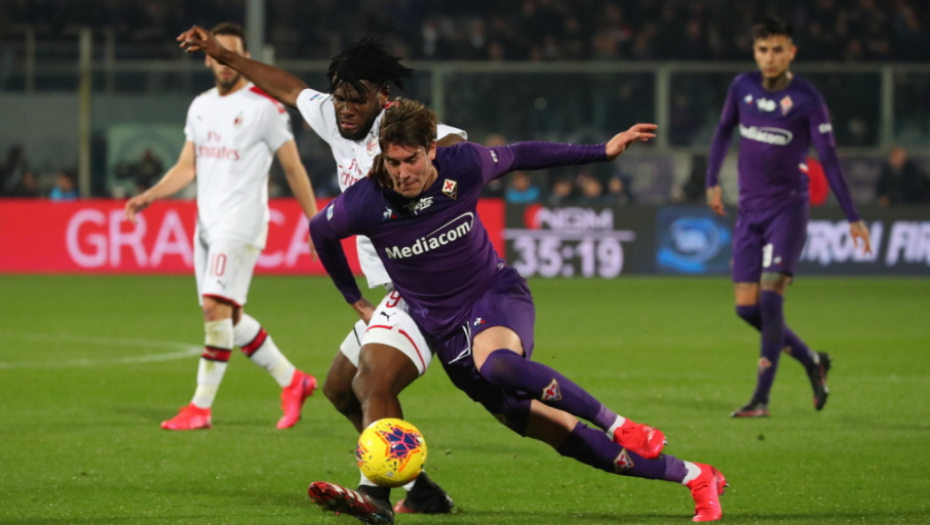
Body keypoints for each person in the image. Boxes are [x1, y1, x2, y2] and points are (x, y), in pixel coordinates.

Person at [309, 98, 727, 524]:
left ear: (431, 149)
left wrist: (602, 151)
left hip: (493, 295)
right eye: (393, 162)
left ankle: (619, 424)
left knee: (497, 364)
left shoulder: (464, 165)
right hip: (444, 331)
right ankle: (696, 476)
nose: (402, 173)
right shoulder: (367, 200)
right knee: (564, 436)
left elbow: (523, 154)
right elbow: (320, 232)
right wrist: (353, 297)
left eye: (411, 159)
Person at [177, 27, 464, 514]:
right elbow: (288, 88)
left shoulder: (401, 130)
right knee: (339, 389)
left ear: (382, 96)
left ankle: (374, 494)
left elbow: (454, 146)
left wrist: (444, 173)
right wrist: (223, 53)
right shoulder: (335, 116)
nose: (344, 108)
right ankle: (420, 490)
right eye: (338, 97)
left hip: (425, 283)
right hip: (392, 286)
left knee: (372, 381)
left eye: (355, 99)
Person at [125, 22, 319, 431]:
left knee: (214, 308)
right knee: (228, 317)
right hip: (206, 226)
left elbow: (293, 168)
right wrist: (150, 195)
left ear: (243, 58)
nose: (223, 61)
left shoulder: (265, 109)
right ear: (207, 58)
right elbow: (186, 166)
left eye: (231, 53)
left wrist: (315, 221)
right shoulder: (200, 106)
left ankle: (200, 407)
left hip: (241, 222)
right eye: (216, 53)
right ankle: (293, 380)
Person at [705, 18, 872, 418]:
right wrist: (711, 180)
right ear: (755, 52)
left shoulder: (807, 98)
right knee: (746, 309)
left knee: (770, 298)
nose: (770, 57)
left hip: (787, 210)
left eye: (778, 49)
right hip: (749, 211)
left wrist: (853, 216)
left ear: (791, 53)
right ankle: (812, 360)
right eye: (763, 50)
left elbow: (828, 158)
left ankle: (761, 399)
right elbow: (723, 130)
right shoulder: (742, 87)